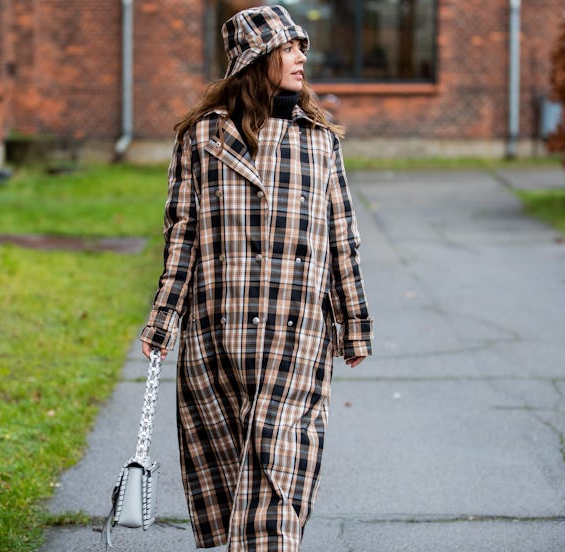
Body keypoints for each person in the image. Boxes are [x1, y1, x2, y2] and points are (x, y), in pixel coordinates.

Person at [139, 5, 373, 550]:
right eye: (288, 49)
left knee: (277, 482)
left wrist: (354, 325)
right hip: (219, 337)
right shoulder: (201, 140)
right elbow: (183, 236)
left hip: (297, 337)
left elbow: (343, 239)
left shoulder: (320, 143)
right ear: (256, 59)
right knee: (235, 475)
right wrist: (162, 321)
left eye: (301, 49)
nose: (300, 59)